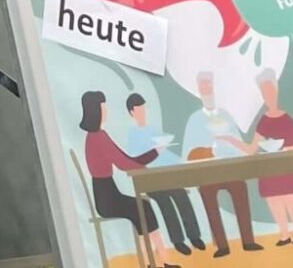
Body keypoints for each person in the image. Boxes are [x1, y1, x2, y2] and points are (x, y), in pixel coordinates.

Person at [80, 92, 180, 265]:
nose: (106, 111)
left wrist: (155, 151)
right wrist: (155, 153)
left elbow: (126, 159)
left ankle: (157, 262)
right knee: (143, 208)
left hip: (107, 192)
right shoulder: (98, 137)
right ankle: (155, 261)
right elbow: (124, 163)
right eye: (103, 107)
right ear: (95, 110)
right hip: (107, 197)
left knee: (143, 209)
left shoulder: (96, 136)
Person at [183, 70, 267, 256]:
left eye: (209, 84)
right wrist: (207, 150)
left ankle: (248, 240)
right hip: (206, 171)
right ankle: (222, 245)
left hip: (229, 168)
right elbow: (187, 153)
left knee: (240, 189)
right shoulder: (195, 120)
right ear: (198, 88)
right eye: (203, 84)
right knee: (209, 199)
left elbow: (238, 143)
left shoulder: (226, 116)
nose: (207, 88)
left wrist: (228, 142)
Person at [119, 93, 206, 256]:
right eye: (139, 110)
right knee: (165, 201)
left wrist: (179, 160)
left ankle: (194, 236)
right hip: (149, 180)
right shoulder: (133, 134)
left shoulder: (153, 130)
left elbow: (165, 155)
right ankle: (178, 240)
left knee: (181, 194)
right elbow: (136, 160)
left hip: (165, 176)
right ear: (132, 113)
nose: (142, 113)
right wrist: (155, 151)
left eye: (143, 109)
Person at [253, 72, 293, 246]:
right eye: (264, 93)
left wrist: (287, 149)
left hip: (289, 167)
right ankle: (284, 234)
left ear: (276, 92)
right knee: (272, 197)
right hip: (271, 169)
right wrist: (230, 141)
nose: (268, 96)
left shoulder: (286, 118)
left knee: (290, 197)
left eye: (270, 91)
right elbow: (253, 147)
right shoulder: (263, 121)